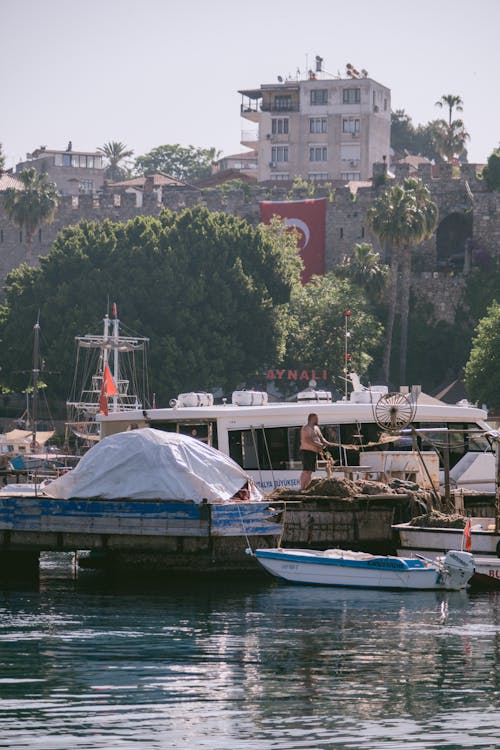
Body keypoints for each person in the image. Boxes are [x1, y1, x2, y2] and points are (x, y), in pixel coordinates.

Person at [299, 413, 335, 490]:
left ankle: (306, 487)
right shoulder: (306, 428)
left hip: (313, 452)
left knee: (310, 471)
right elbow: (307, 440)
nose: (317, 420)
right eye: (316, 418)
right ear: (311, 419)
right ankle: (302, 488)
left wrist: (326, 443)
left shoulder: (316, 428)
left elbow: (321, 438)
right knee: (306, 471)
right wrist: (319, 445)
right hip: (306, 451)